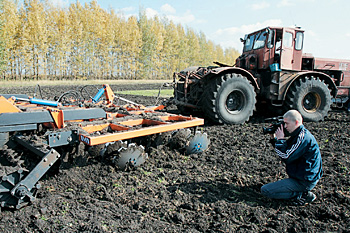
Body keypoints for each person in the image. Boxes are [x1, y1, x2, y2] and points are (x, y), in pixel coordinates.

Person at [261, 110, 323, 206]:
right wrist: (274, 138)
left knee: (266, 191)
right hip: (300, 177)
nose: (285, 126)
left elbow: (286, 156)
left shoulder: (303, 138)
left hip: (304, 181)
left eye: (286, 123)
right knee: (269, 189)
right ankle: (297, 190)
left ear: (296, 122)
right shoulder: (297, 135)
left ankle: (301, 195)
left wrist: (280, 139)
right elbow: (285, 150)